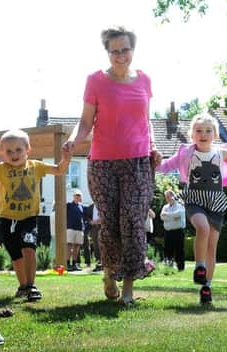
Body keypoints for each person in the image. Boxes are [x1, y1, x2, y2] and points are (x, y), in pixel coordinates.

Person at [64, 26, 161, 306]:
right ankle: (109, 273)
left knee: (133, 221)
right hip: (103, 163)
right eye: (114, 51)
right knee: (111, 224)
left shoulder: (144, 80)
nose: (120, 56)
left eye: (125, 50)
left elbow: (146, 120)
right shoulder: (95, 81)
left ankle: (128, 288)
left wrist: (153, 146)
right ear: (107, 52)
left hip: (138, 162)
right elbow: (85, 122)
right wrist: (72, 140)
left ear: (133, 49)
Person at [157, 113, 227, 304]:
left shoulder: (221, 153)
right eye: (199, 131)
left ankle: (207, 287)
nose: (203, 134)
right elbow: (166, 165)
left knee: (212, 247)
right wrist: (150, 164)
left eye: (208, 131)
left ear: (215, 135)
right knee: (203, 228)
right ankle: (199, 267)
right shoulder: (186, 153)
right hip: (194, 198)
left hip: (216, 202)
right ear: (192, 135)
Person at [0, 129, 71, 301]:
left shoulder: (36, 166)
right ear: (3, 153)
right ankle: (23, 286)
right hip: (7, 219)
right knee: (16, 255)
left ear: (28, 150)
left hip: (28, 218)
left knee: (29, 248)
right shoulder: (2, 169)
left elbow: (59, 170)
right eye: (9, 151)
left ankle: (31, 286)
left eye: (19, 150)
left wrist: (67, 158)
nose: (14, 154)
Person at [160, 190, 186, 271]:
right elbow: (162, 217)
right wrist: (173, 216)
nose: (167, 199)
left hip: (178, 231)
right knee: (168, 250)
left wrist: (168, 216)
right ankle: (169, 266)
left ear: (173, 196)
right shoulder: (165, 207)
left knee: (179, 250)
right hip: (168, 232)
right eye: (166, 197)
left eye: (168, 197)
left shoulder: (180, 205)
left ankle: (180, 267)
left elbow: (179, 214)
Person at [66, 190, 85, 271]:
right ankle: (67, 264)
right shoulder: (69, 205)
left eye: (79, 196)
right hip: (70, 228)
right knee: (69, 245)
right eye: (76, 196)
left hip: (79, 229)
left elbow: (83, 218)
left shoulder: (81, 206)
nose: (77, 197)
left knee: (77, 246)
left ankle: (74, 263)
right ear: (73, 197)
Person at [89, 203, 103, 272]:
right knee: (95, 245)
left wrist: (101, 220)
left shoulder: (103, 204)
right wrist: (90, 221)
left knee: (102, 245)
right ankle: (98, 262)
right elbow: (87, 217)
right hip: (94, 228)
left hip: (102, 227)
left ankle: (104, 263)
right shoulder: (90, 206)